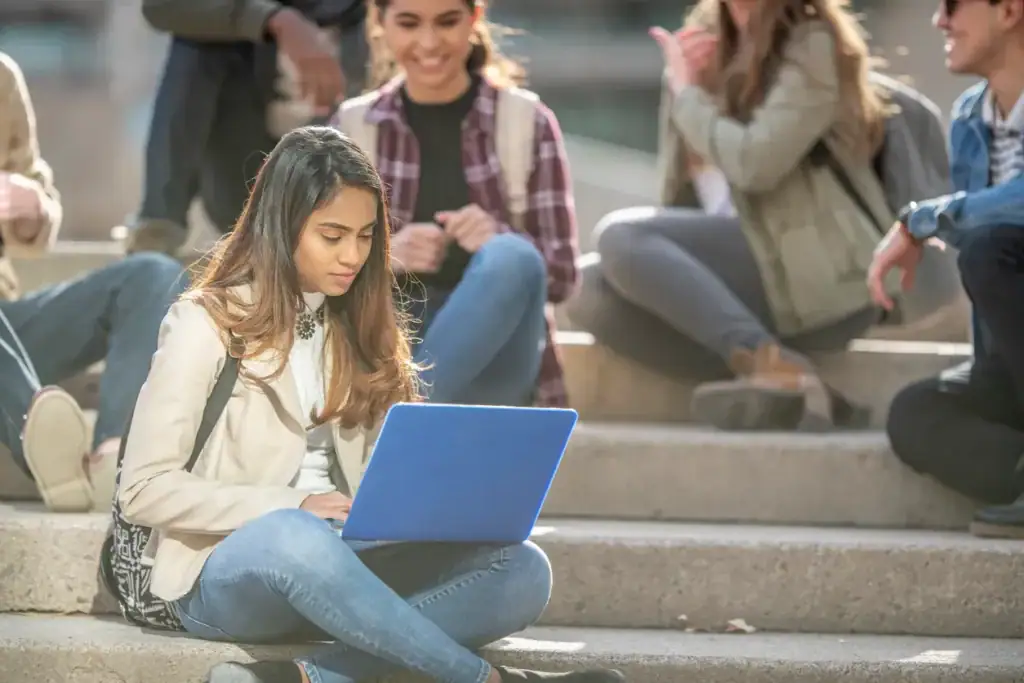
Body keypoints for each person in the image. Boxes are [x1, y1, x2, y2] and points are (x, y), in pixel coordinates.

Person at [115, 126, 622, 683]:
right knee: (294, 534)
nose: (353, 255)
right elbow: (143, 488)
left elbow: (381, 478)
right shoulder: (204, 321)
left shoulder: (363, 327)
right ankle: (485, 680)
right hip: (225, 571)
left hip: (345, 562)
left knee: (523, 567)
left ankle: (311, 678)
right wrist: (293, 503)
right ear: (283, 228)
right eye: (332, 236)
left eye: (364, 235)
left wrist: (431, 506)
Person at [564, 0, 898, 431]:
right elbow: (678, 194)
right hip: (744, 274)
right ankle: (793, 382)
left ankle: (772, 367)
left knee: (619, 236)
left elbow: (755, 163)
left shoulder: (812, 42)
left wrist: (685, 96)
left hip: (819, 278)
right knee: (586, 288)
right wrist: (686, 88)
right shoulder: (707, 35)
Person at [333, 0, 579, 408]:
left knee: (512, 257)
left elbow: (563, 277)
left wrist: (497, 236)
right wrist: (386, 256)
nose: (429, 43)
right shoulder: (353, 128)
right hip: (386, 348)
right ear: (380, 23)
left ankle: (406, 419)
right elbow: (310, 271)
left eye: (447, 22)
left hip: (496, 361)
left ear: (474, 20)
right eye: (409, 24)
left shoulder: (526, 120)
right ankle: (411, 416)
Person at [0, 51, 183, 512]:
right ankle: (40, 446)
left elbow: (37, 198)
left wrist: (33, 210)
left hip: (10, 331)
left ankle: (113, 458)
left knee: (151, 274)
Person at [879, 0, 1024, 539]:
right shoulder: (969, 115)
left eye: (952, 5)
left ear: (1009, 10)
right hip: (1007, 361)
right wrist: (925, 226)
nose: (939, 20)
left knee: (990, 250)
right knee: (915, 415)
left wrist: (925, 219)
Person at [119, 0, 369, 257]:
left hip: (333, 189)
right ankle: (159, 224)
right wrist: (278, 20)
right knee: (196, 42)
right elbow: (161, 7)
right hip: (244, 185)